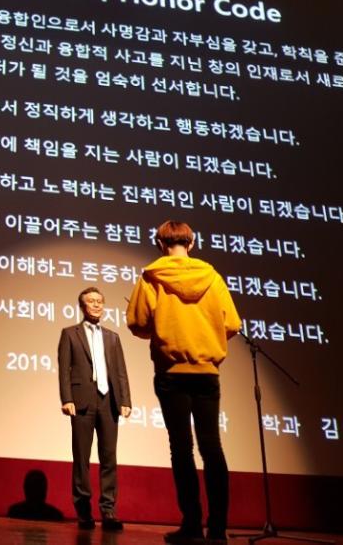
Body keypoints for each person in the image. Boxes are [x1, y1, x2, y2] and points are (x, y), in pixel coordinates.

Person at [125, 220, 241, 545]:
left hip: (171, 373)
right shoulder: (212, 277)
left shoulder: (151, 277)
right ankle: (217, 530)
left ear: (160, 244)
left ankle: (192, 525)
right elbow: (232, 323)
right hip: (207, 372)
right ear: (191, 244)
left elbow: (137, 322)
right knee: (212, 447)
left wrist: (163, 329)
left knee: (181, 448)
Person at [58, 286, 132, 530]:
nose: (97, 305)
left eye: (100, 301)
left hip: (109, 401)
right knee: (81, 458)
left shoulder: (112, 337)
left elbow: (120, 372)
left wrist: (125, 401)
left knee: (109, 457)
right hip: (81, 402)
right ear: (82, 306)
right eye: (91, 301)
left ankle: (108, 510)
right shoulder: (70, 334)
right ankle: (83, 511)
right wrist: (66, 398)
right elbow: (64, 370)